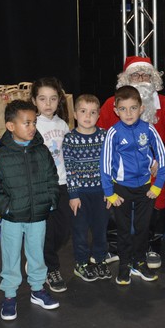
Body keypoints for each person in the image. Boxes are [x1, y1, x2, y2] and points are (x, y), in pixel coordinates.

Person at [97, 56, 165, 268]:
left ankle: (152, 246)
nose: (141, 80)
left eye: (146, 75)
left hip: (154, 169)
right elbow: (101, 135)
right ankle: (114, 246)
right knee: (113, 196)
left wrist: (162, 158)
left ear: (154, 79)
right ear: (126, 79)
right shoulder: (111, 105)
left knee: (160, 194)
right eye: (135, 75)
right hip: (121, 170)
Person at [0, 100, 61, 321]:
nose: (32, 127)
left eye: (34, 122)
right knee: (10, 257)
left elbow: (52, 178)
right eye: (26, 123)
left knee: (37, 254)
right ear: (11, 126)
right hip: (12, 218)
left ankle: (37, 289)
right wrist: (7, 208)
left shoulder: (42, 151)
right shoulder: (0, 156)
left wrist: (50, 201)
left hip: (38, 215)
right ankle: (10, 295)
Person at [100, 85, 165, 285]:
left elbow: (163, 158)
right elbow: (105, 164)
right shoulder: (113, 133)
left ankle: (139, 262)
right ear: (116, 110)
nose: (128, 113)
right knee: (123, 229)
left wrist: (157, 186)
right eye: (123, 109)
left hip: (145, 189)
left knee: (142, 228)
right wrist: (109, 192)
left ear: (141, 108)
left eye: (133, 108)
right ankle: (124, 264)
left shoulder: (149, 129)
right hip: (121, 189)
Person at [63, 94, 111, 282]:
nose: (88, 116)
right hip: (80, 194)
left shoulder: (104, 136)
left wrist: (109, 190)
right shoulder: (70, 139)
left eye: (92, 112)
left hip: (101, 192)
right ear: (75, 114)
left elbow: (110, 165)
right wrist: (73, 194)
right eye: (83, 111)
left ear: (98, 115)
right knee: (80, 231)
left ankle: (100, 259)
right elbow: (70, 168)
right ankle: (81, 263)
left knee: (101, 229)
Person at [30, 77, 72, 293]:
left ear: (59, 100)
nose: (48, 104)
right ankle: (50, 268)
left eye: (53, 99)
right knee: (47, 231)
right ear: (34, 101)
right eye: (42, 99)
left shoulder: (62, 124)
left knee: (64, 230)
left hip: (63, 184)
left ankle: (38, 257)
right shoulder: (32, 125)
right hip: (43, 186)